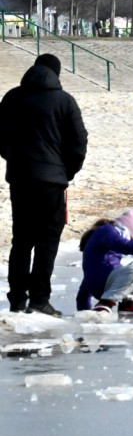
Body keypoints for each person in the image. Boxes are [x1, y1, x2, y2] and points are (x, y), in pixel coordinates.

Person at [0, 54, 88, 317]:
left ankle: (17, 299)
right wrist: (66, 172)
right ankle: (39, 299)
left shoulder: (12, 98)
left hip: (20, 178)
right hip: (52, 182)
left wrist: (13, 158)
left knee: (22, 240)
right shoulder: (64, 101)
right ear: (57, 74)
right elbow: (78, 142)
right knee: (47, 240)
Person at [75, 210, 133, 314]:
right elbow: (123, 245)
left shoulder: (107, 236)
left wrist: (83, 310)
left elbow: (85, 287)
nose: (130, 240)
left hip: (108, 279)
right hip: (101, 283)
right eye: (131, 238)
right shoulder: (106, 231)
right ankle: (106, 302)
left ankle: (129, 302)